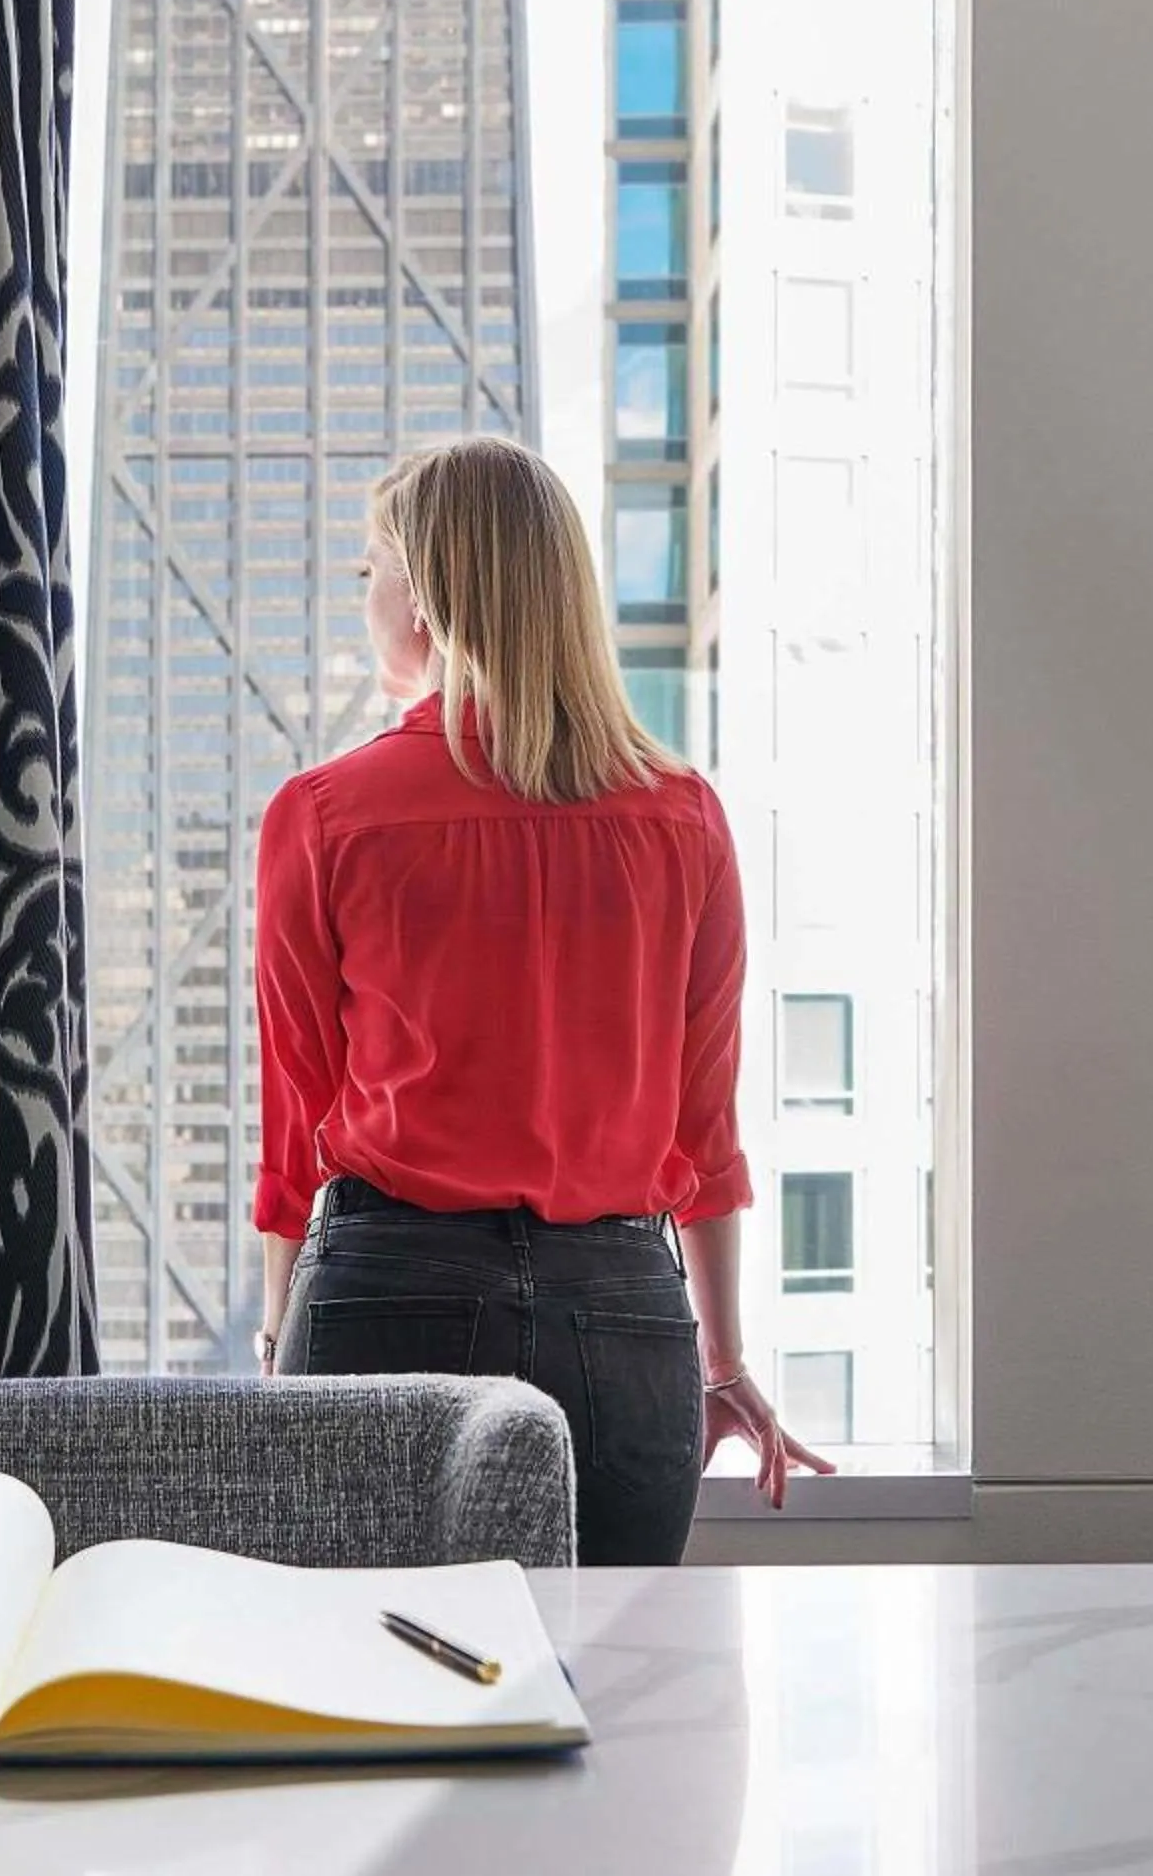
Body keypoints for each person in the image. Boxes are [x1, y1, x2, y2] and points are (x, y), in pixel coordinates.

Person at [253, 433, 834, 1564]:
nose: (363, 598)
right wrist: (721, 1362)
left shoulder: (322, 815)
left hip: (385, 1300)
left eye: (369, 571)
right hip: (623, 1317)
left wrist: (282, 1337)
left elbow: (296, 1126)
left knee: (373, 1696)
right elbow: (703, 1132)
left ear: (423, 600)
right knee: (609, 1698)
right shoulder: (684, 819)